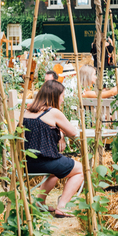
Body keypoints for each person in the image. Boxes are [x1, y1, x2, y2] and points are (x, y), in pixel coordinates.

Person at [22, 80, 82, 218]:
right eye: (62, 95)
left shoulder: (27, 111)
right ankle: (62, 207)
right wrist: (61, 132)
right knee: (81, 170)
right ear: (55, 96)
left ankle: (40, 202)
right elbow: (73, 133)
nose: (63, 99)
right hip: (45, 161)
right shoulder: (53, 112)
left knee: (56, 171)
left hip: (26, 162)